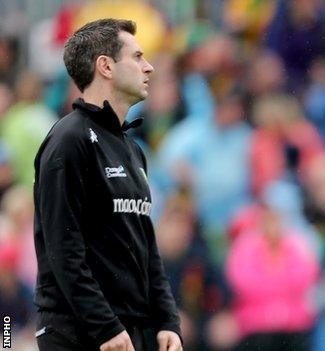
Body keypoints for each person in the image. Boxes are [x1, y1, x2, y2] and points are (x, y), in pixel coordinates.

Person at [33, 19, 182, 351]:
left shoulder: (132, 149)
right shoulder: (69, 140)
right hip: (80, 334)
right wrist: (104, 327)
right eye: (138, 57)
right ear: (106, 66)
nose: (150, 67)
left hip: (128, 333)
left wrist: (167, 320)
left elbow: (146, 249)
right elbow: (63, 250)